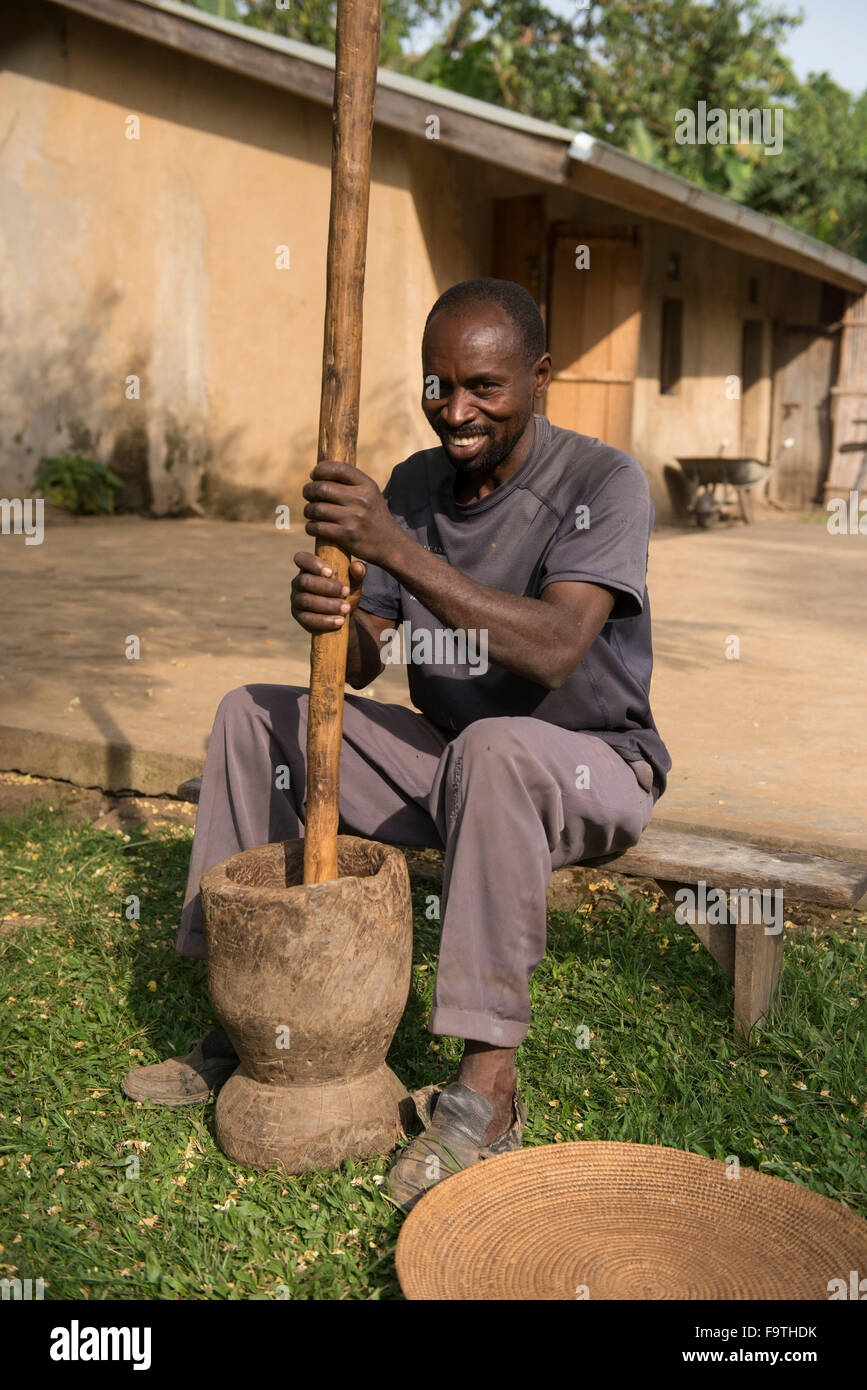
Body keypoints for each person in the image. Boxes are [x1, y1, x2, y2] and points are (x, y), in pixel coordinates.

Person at [122, 277, 670, 1209]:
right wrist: (333, 613)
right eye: (436, 384)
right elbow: (370, 660)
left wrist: (398, 547)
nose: (455, 410)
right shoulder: (415, 485)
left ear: (538, 378)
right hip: (454, 761)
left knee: (496, 747)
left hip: (589, 767)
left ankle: (487, 1091)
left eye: (484, 387)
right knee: (254, 718)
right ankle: (244, 1027)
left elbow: (551, 647)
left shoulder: (601, 483)